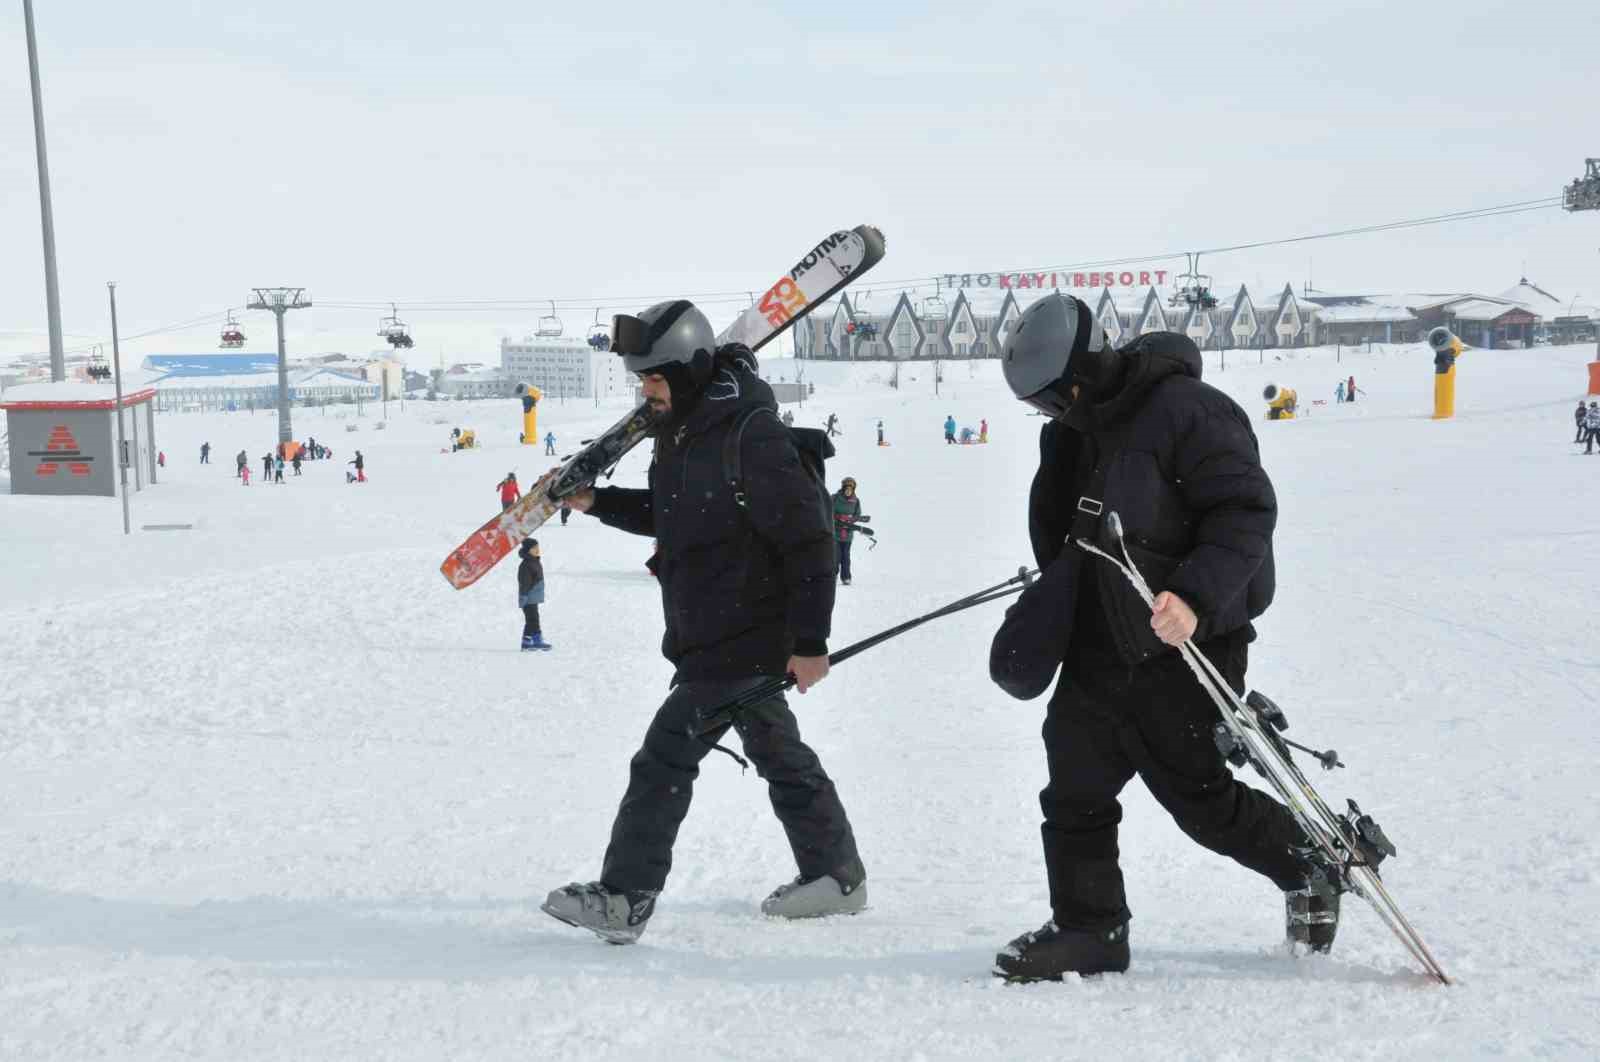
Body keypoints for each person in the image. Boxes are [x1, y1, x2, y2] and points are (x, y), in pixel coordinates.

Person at [990, 293, 1330, 982]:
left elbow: (1243, 511)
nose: (1050, 413)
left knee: (1198, 798)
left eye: (1053, 398)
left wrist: (1195, 596)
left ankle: (1308, 864)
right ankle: (1090, 930)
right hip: (1099, 640)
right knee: (1074, 788)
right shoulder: (1074, 429)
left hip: (1185, 646)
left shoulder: (1191, 411)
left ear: (1082, 372)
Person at [543, 298, 865, 944]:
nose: (646, 394)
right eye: (642, 382)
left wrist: (811, 642)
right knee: (779, 755)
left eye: (654, 380)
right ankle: (837, 876)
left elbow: (811, 540)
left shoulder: (750, 433)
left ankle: (625, 897)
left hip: (741, 638)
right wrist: (597, 500)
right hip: (713, 636)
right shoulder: (684, 431)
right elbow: (675, 513)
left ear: (688, 371)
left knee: (662, 761)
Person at [517, 538, 551, 650]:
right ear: (528, 550)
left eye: (537, 547)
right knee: (534, 620)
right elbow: (524, 583)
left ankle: (526, 643)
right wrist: (523, 597)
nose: (537, 550)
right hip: (528, 598)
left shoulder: (534, 561)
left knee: (530, 620)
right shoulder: (526, 565)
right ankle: (537, 641)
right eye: (534, 548)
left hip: (533, 597)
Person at [832, 477, 864, 586]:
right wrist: (837, 518)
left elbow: (857, 514)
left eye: (851, 489)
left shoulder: (856, 501)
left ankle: (846, 577)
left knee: (845, 556)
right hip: (835, 532)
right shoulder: (835, 498)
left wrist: (850, 520)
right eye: (847, 489)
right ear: (843, 488)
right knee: (836, 556)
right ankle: (833, 575)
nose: (848, 491)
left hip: (848, 534)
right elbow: (827, 509)